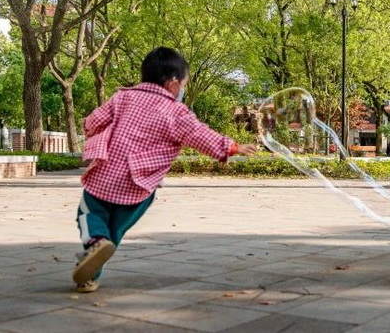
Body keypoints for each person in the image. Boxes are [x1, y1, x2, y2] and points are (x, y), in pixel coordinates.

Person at [72, 46, 258, 293]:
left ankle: (94, 249)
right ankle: (92, 270)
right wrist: (232, 147)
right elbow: (200, 135)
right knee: (115, 230)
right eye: (184, 85)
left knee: (90, 214)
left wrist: (89, 128)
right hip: (139, 186)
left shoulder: (122, 98)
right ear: (173, 84)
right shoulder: (176, 112)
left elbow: (94, 121)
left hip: (104, 177)